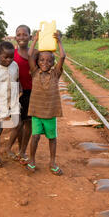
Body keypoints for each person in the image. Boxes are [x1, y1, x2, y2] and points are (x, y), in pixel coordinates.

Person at [0, 25, 33, 165]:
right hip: (2, 100)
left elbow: (17, 76)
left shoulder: (17, 62)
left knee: (22, 123)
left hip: (19, 97)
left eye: (24, 34)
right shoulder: (1, 64)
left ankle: (20, 150)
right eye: (18, 35)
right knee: (0, 128)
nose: (8, 60)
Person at [26, 31, 66, 175]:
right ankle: (32, 160)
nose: (45, 63)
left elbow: (62, 56)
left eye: (49, 61)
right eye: (42, 60)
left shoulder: (55, 74)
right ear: (37, 62)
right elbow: (30, 55)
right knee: (35, 137)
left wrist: (59, 41)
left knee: (52, 138)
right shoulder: (35, 72)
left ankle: (52, 162)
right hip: (37, 112)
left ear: (53, 63)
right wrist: (35, 40)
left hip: (50, 113)